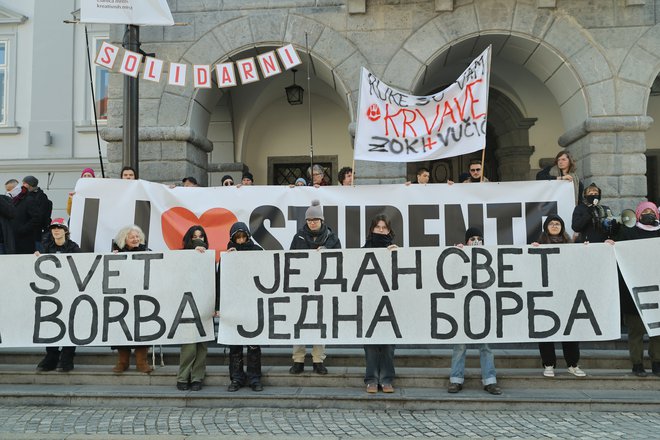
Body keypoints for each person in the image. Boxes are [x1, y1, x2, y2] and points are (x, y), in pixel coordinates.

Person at [289, 200, 341, 375]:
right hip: (301, 287)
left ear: (322, 220)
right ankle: (298, 359)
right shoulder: (298, 238)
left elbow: (340, 260)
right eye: (309, 220)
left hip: (323, 288)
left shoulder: (332, 238)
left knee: (320, 322)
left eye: (315, 219)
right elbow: (290, 260)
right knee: (299, 322)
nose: (312, 222)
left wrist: (327, 252)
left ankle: (318, 359)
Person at [448, 227, 502, 395]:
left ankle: (490, 380)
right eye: (472, 238)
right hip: (463, 307)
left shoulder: (490, 257)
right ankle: (456, 380)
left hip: (482, 307)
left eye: (479, 238)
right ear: (466, 241)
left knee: (485, 345)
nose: (476, 241)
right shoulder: (459, 256)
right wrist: (456, 254)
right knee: (460, 346)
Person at [531, 215, 586, 378]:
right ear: (546, 227)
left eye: (558, 224)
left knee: (570, 330)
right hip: (546, 295)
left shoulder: (571, 246)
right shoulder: (539, 245)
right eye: (551, 224)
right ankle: (548, 364)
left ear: (562, 227)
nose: (555, 226)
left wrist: (587, 249)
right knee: (546, 329)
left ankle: (573, 364)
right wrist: (532, 251)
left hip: (567, 293)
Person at [611, 201, 660, 377]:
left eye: (652, 211)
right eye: (645, 211)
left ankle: (657, 362)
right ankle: (637, 364)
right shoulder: (627, 232)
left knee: (658, 331)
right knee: (636, 331)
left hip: (657, 291)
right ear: (638, 214)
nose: (649, 214)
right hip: (634, 291)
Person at [35, 218, 81, 372]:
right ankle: (52, 356)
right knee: (50, 323)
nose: (56, 230)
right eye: (53, 227)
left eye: (59, 228)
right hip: (51, 293)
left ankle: (67, 356)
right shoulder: (45, 247)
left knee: (69, 322)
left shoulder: (74, 248)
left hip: (69, 292)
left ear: (65, 231)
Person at [225, 222, 264, 392]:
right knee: (235, 345)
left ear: (248, 236)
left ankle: (254, 378)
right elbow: (221, 280)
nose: (240, 240)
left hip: (252, 304)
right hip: (234, 305)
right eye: (237, 237)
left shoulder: (257, 252)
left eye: (243, 237)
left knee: (254, 345)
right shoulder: (227, 255)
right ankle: (236, 378)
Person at [363, 214, 398, 393]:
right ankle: (371, 379)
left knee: (388, 344)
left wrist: (398, 256)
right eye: (378, 227)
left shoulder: (395, 250)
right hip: (370, 303)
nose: (381, 230)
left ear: (389, 230)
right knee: (370, 344)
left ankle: (386, 379)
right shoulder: (364, 250)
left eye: (384, 228)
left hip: (390, 304)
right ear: (372, 230)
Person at [111, 225, 153, 374]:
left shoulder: (148, 253)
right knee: (122, 328)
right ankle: (123, 362)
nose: (136, 239)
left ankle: (142, 362)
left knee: (141, 328)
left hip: (142, 298)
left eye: (137, 237)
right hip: (122, 298)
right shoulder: (115, 254)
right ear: (124, 240)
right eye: (132, 237)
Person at [176, 226, 210, 391]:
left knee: (202, 345)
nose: (198, 239)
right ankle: (183, 376)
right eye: (194, 236)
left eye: (201, 236)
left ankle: (197, 377)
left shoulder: (210, 258)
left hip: (204, 304)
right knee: (189, 345)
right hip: (187, 306)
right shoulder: (181, 257)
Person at [10, 178, 43, 254]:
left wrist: (22, 229)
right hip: (13, 239)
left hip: (25, 239)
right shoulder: (13, 200)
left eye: (10, 189)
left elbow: (36, 218)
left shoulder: (29, 200)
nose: (9, 192)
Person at [22, 176, 52, 252]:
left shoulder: (41, 197)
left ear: (30, 184)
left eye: (24, 183)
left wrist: (26, 227)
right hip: (29, 234)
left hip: (37, 233)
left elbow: (40, 216)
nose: (22, 185)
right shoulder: (26, 195)